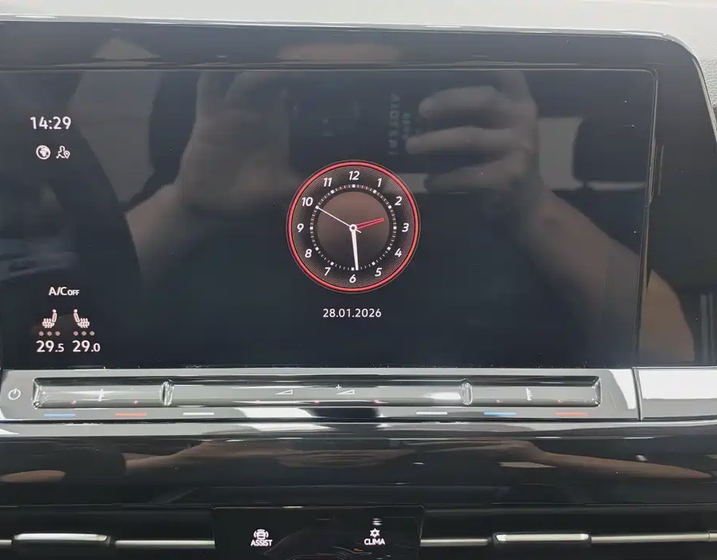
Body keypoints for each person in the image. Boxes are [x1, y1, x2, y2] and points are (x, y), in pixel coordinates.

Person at [125, 57, 693, 367]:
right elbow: (72, 323)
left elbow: (673, 353)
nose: (349, 121)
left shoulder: (527, 211)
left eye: (386, 95)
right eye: (309, 99)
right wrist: (186, 206)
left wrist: (531, 210)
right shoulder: (178, 210)